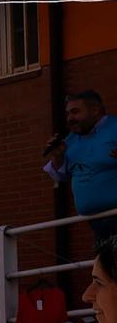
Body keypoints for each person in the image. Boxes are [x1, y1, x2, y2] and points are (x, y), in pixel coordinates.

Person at [42, 89, 117, 244]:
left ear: (95, 110)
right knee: (108, 266)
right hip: (96, 222)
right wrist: (58, 155)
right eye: (68, 113)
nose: (70, 118)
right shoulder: (70, 140)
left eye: (75, 112)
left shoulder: (114, 128)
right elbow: (59, 176)